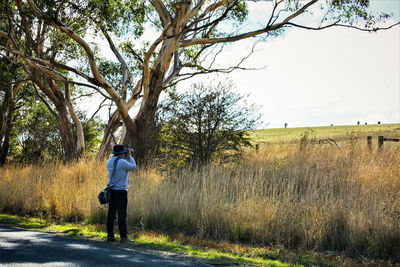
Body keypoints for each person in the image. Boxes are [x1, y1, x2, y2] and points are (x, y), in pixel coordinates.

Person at [106, 144, 137, 242]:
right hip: (121, 192)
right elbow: (134, 167)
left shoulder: (109, 161)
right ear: (121, 153)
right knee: (122, 215)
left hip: (111, 191)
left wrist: (125, 155)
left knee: (111, 214)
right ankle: (124, 236)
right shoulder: (122, 162)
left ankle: (110, 236)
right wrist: (130, 156)